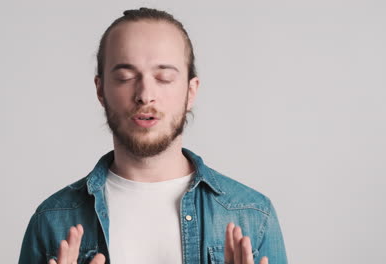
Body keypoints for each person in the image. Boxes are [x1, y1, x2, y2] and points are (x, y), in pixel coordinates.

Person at [19, 7, 287, 264]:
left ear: (190, 91)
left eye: (164, 77)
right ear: (100, 90)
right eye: (125, 77)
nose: (145, 95)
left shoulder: (252, 215)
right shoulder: (52, 220)